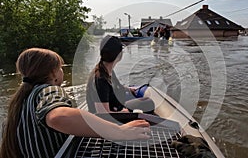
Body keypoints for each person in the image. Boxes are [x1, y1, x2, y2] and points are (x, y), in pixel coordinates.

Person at [0, 48, 150, 158]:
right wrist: (119, 132)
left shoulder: (19, 101)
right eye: (60, 68)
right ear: (53, 73)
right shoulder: (48, 90)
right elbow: (59, 117)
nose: (61, 72)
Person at [86, 35, 155, 114]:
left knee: (147, 102)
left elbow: (116, 86)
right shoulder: (101, 80)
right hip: (111, 116)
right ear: (118, 55)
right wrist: (123, 112)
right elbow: (103, 114)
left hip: (117, 106)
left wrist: (128, 89)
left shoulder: (106, 69)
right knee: (148, 104)